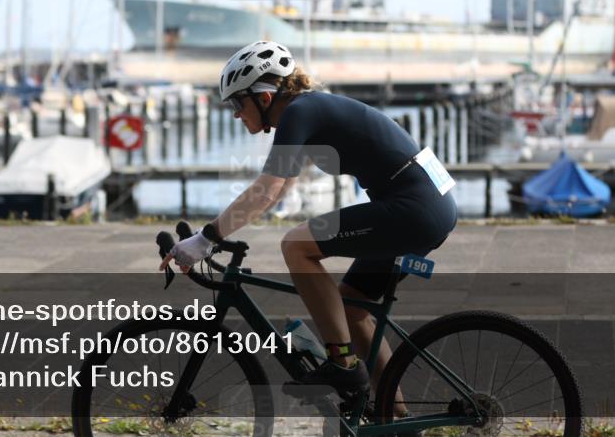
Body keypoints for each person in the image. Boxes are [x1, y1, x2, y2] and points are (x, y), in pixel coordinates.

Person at [160, 40, 458, 405]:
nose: (236, 115)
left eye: (238, 104)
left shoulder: (300, 111)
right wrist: (211, 235)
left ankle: (342, 363)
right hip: (426, 205)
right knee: (352, 307)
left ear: (264, 98)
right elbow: (279, 189)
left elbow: (266, 190)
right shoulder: (308, 109)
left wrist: (206, 239)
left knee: (296, 246)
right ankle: (395, 416)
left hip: (414, 209)